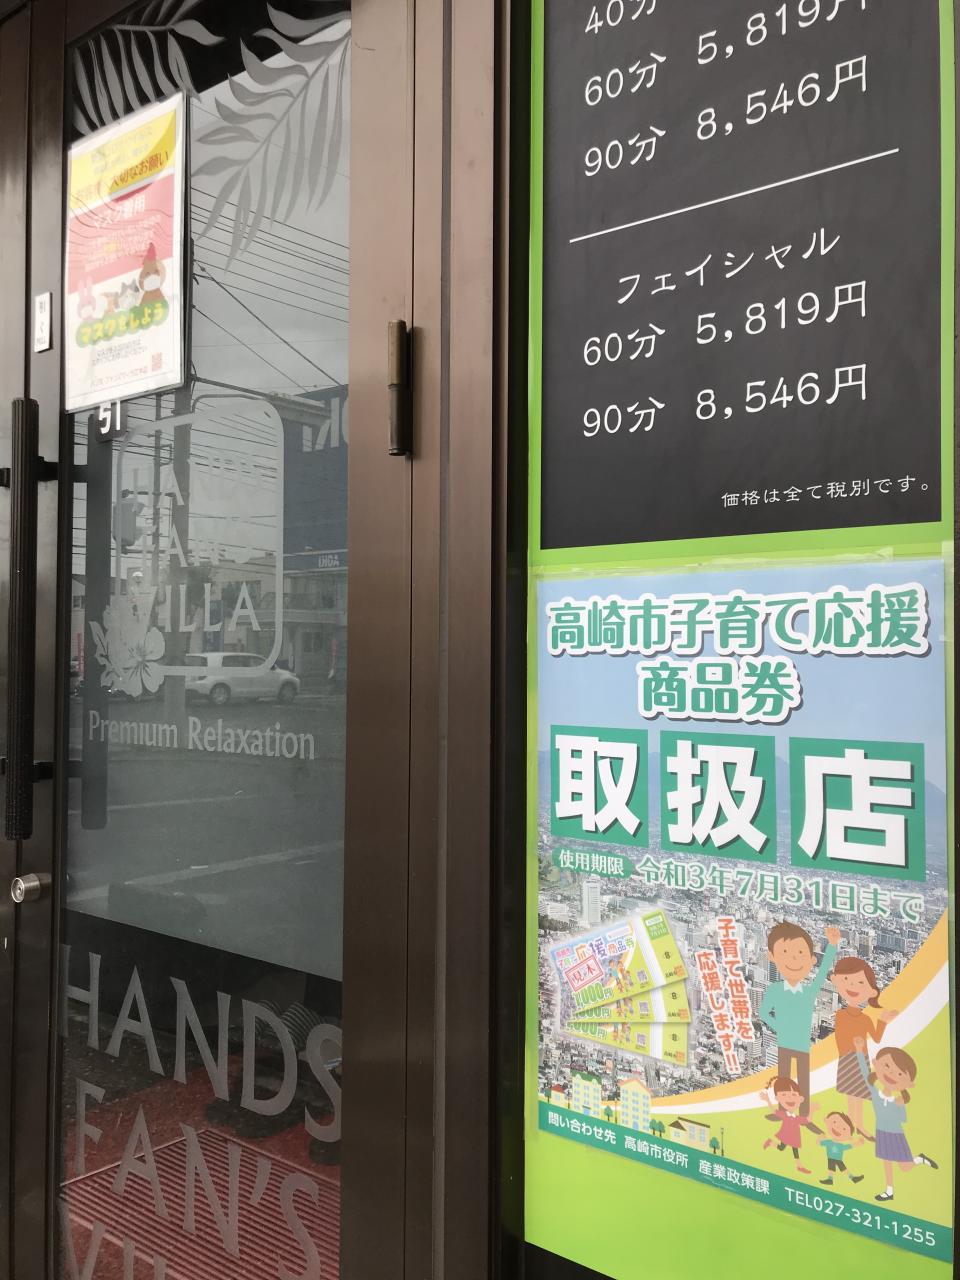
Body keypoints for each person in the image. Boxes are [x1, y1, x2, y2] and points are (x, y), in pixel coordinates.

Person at [759, 922, 841, 1115]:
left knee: (803, 1081)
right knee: (784, 1080)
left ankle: (803, 1114)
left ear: (811, 960)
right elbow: (763, 1013)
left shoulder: (808, 992)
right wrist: (780, 1027)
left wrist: (832, 946)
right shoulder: (775, 990)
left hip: (802, 1045)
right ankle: (783, 1111)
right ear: (772, 957)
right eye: (785, 953)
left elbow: (822, 972)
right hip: (785, 1043)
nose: (794, 959)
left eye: (800, 954)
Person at [853, 1038, 937, 1202]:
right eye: (887, 1066)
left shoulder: (898, 1100)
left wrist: (899, 1105)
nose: (892, 1074)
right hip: (881, 1133)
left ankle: (920, 1159)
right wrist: (859, 1051)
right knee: (887, 1162)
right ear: (876, 1064)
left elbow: (902, 1120)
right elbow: (864, 1074)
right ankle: (889, 1190)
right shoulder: (876, 1093)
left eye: (900, 1074)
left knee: (905, 1167)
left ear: (909, 1084)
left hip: (896, 1135)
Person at [830, 956, 897, 1135]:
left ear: (871, 992)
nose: (853, 986)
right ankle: (850, 1125)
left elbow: (876, 1038)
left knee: (858, 1095)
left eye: (861, 983)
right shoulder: (840, 1015)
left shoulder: (865, 1018)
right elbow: (838, 1038)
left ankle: (858, 1124)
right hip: (848, 1058)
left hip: (861, 1058)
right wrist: (848, 1052)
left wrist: (883, 1021)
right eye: (846, 980)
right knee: (850, 1095)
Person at [761, 1076, 820, 1176]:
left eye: (794, 1095)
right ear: (778, 1098)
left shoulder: (796, 1118)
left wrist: (812, 1110)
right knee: (783, 1148)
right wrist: (767, 1100)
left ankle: (799, 1166)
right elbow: (773, 1111)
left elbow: (808, 1120)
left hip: (794, 1136)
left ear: (800, 1099)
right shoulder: (784, 1115)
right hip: (786, 1135)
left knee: (790, 1149)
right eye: (784, 1095)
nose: (790, 1098)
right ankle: (798, 1165)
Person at [818, 1111, 864, 1186]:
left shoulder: (840, 1146)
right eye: (834, 1122)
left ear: (849, 1137)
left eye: (844, 1129)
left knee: (843, 1169)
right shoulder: (829, 1142)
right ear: (826, 1121)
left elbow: (849, 1146)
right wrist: (820, 1137)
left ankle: (852, 1178)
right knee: (833, 1169)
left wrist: (858, 1143)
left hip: (838, 1159)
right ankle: (831, 1179)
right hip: (831, 1158)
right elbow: (819, 1143)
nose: (837, 1128)